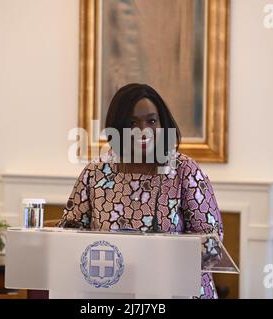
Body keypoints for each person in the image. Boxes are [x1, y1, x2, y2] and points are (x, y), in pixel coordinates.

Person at [58, 83, 223, 299]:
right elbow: (69, 234)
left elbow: (212, 244)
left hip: (175, 293)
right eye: (132, 123)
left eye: (151, 121)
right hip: (110, 294)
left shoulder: (184, 171)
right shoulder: (96, 172)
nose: (143, 131)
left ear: (163, 124)